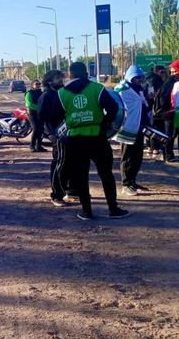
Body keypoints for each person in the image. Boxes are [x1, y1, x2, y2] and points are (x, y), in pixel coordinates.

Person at [57, 62, 129, 220]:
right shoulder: (97, 88)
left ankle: (87, 211)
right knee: (106, 174)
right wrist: (104, 124)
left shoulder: (62, 93)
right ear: (85, 72)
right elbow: (113, 108)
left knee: (81, 175)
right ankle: (113, 208)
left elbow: (58, 115)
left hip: (75, 139)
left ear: (71, 74)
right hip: (97, 137)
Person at [114, 65, 150, 196]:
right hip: (128, 127)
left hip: (140, 126)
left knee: (137, 156)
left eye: (140, 78)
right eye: (136, 78)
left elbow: (143, 103)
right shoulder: (122, 88)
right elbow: (119, 103)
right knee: (127, 156)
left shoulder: (140, 89)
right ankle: (126, 183)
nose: (138, 80)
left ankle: (133, 181)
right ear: (130, 77)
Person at [38, 70, 68, 207]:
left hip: (66, 133)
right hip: (56, 135)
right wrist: (51, 135)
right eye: (58, 79)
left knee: (69, 163)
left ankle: (70, 190)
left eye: (61, 78)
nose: (61, 81)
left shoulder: (61, 94)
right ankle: (56, 195)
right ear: (49, 81)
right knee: (58, 164)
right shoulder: (46, 96)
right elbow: (41, 119)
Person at [156, 60, 179, 162]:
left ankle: (169, 155)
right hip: (170, 113)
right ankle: (168, 155)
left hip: (172, 112)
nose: (173, 74)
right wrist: (167, 110)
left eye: (175, 71)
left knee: (172, 134)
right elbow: (163, 98)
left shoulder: (171, 81)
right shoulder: (171, 82)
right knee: (170, 135)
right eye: (172, 72)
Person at [145, 66, 166, 157]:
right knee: (156, 128)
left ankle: (149, 147)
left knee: (148, 127)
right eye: (163, 72)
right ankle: (155, 149)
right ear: (158, 71)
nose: (164, 74)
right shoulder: (156, 79)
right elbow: (153, 94)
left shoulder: (145, 78)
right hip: (155, 107)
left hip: (146, 107)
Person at [25, 79, 46, 152]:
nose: (38, 85)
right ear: (32, 85)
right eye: (36, 84)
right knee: (35, 129)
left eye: (39, 84)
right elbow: (29, 104)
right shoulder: (29, 93)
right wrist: (39, 108)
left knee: (41, 129)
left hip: (40, 114)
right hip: (32, 114)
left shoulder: (41, 93)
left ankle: (39, 146)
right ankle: (32, 145)